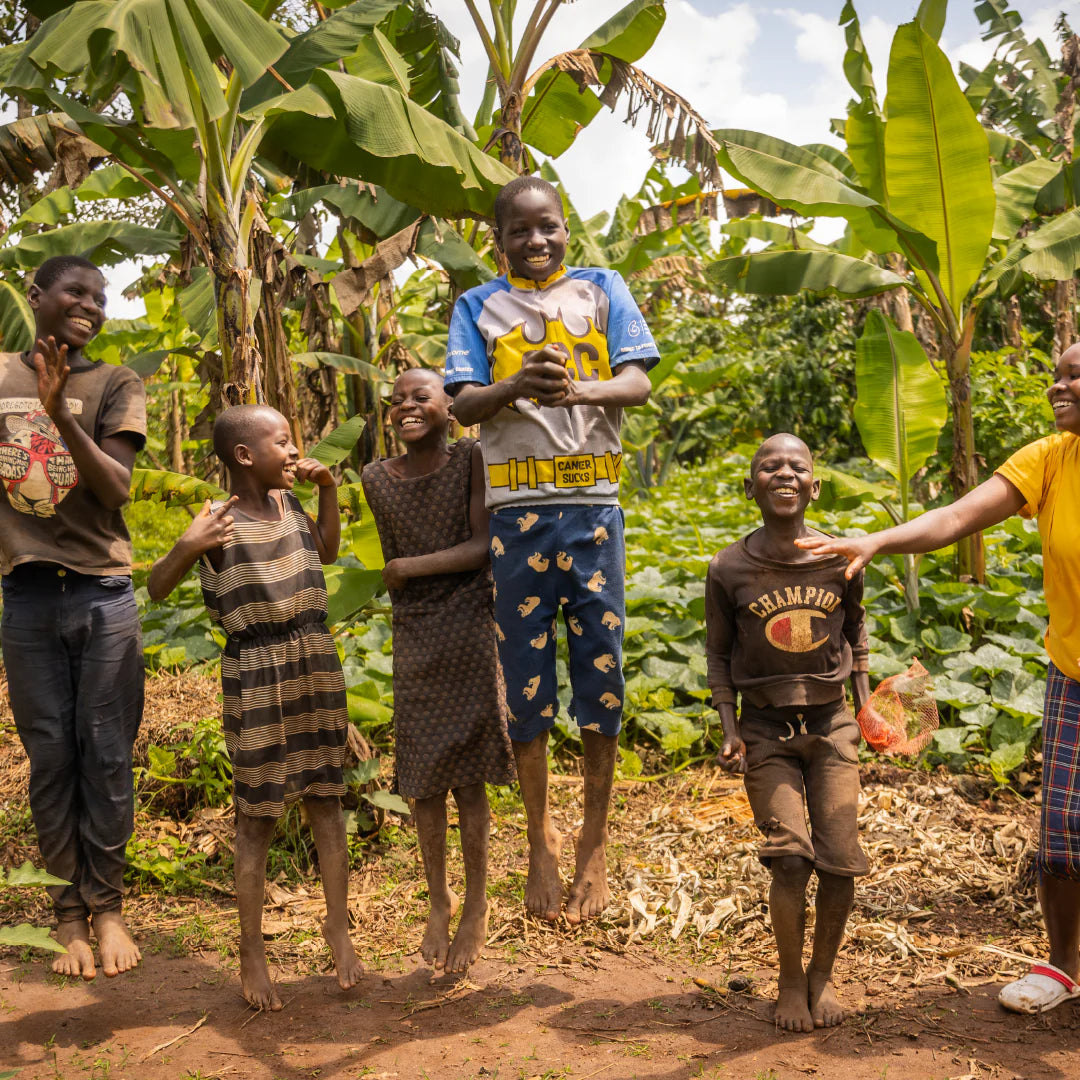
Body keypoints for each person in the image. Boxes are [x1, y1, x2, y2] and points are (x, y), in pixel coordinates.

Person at [797, 345, 1080, 1016]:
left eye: (1075, 375)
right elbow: (955, 517)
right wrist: (877, 541)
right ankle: (1064, 966)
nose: (1057, 385)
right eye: (1058, 373)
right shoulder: (1050, 457)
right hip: (1074, 673)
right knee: (1064, 833)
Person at [445, 175, 657, 925]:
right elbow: (460, 402)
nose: (537, 241)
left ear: (567, 229)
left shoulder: (603, 289)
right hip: (516, 516)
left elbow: (636, 384)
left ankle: (593, 845)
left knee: (601, 675)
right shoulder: (477, 306)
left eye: (550, 227)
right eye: (521, 232)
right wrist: (513, 386)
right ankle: (539, 841)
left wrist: (580, 392)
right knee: (525, 684)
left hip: (593, 511)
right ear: (498, 243)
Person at [148, 405, 361, 1010]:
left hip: (315, 656)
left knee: (327, 797)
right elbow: (159, 587)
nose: (294, 452)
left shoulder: (290, 506)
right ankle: (251, 951)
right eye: (283, 442)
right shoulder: (216, 520)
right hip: (257, 667)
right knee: (257, 815)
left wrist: (327, 491)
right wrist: (189, 545)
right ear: (245, 456)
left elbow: (324, 549)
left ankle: (338, 929)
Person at [0, 255, 146, 980]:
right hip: (25, 593)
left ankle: (109, 905)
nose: (90, 305)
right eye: (75, 292)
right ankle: (68, 915)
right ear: (37, 297)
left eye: (100, 295)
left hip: (102, 593)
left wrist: (59, 413)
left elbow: (116, 488)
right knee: (51, 757)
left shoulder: (114, 383)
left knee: (107, 753)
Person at [706, 433, 869, 1032]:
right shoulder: (728, 566)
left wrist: (866, 705)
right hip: (766, 732)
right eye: (769, 467)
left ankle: (823, 975)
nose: (784, 474)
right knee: (790, 862)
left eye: (797, 466)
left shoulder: (839, 557)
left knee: (840, 861)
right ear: (750, 486)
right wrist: (730, 729)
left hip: (832, 727)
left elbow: (855, 631)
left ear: (814, 485)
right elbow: (718, 656)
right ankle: (789, 980)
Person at [362, 368, 514, 973]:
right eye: (396, 400)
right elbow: (397, 568)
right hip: (417, 634)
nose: (405, 406)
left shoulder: (472, 458)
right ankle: (439, 898)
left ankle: (476, 900)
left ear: (451, 409)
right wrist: (407, 575)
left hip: (472, 625)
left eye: (419, 396)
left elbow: (483, 546)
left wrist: (408, 568)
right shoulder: (376, 477)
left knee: (471, 773)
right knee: (422, 776)